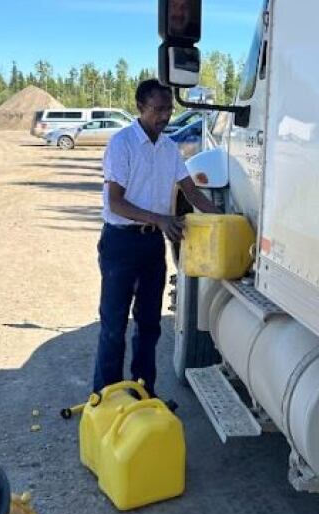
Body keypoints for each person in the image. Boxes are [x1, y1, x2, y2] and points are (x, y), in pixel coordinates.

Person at [93, 79, 218, 396]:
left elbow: (192, 192)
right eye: (158, 109)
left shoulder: (168, 148)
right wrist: (161, 219)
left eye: (169, 109)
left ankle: (143, 393)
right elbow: (115, 202)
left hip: (151, 246)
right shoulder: (122, 144)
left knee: (149, 325)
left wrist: (222, 218)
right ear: (139, 107)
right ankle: (106, 398)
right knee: (113, 325)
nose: (165, 116)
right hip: (120, 244)